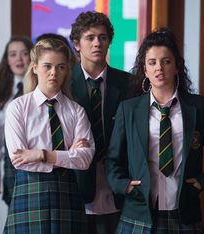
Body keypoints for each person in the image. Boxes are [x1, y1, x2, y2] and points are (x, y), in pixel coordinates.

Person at [104, 27, 204, 233]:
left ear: (177, 66)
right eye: (152, 63)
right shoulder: (129, 109)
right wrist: (124, 186)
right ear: (145, 69)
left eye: (166, 61)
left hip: (184, 213)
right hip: (138, 213)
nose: (159, 68)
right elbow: (113, 158)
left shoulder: (199, 107)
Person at [3, 38, 95, 233]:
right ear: (35, 67)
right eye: (47, 66)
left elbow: (85, 159)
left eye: (61, 67)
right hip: (29, 194)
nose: (54, 73)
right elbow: (19, 159)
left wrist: (41, 154)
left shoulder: (76, 111)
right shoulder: (18, 108)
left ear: (67, 71)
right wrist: (68, 155)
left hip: (67, 195)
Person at [69, 11, 132, 234]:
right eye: (90, 38)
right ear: (77, 43)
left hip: (117, 184)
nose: (97, 43)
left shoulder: (127, 82)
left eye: (103, 37)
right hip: (74, 186)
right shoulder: (64, 83)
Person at [0, 35, 33, 205]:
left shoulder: (42, 89)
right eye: (13, 54)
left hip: (37, 162)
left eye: (24, 53)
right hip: (10, 164)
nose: (19, 59)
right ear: (7, 60)